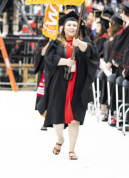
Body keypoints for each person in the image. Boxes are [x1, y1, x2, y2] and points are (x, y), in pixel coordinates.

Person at [38, 11, 99, 160]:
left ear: (78, 27)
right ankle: (60, 139)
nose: (72, 27)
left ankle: (72, 150)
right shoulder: (56, 42)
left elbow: (92, 53)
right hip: (59, 84)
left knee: (75, 119)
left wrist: (81, 44)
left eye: (74, 25)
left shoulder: (83, 41)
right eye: (69, 25)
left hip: (77, 84)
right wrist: (65, 61)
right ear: (63, 28)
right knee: (57, 118)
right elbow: (49, 58)